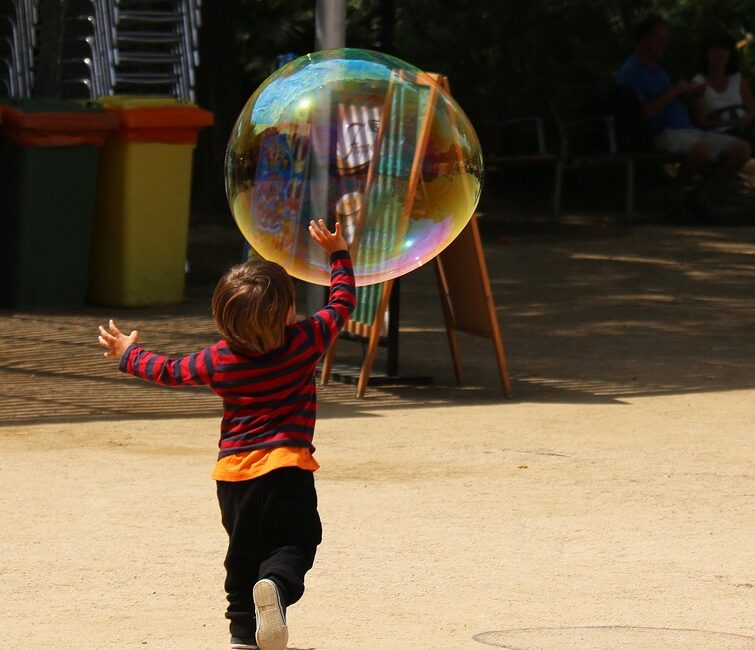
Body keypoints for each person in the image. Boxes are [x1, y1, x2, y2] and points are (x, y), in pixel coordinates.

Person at [97, 220, 356, 650]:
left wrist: (128, 352)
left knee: (243, 555)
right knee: (296, 541)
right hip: (287, 470)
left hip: (233, 479)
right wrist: (338, 255)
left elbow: (169, 371)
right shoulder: (305, 341)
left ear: (222, 320)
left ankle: (241, 636)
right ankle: (275, 587)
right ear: (288, 313)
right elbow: (342, 301)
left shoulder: (220, 359)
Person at [616, 14, 751, 215]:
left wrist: (688, 96)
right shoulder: (631, 72)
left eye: (665, 40)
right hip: (663, 133)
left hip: (687, 130)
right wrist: (675, 92)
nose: (664, 45)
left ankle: (700, 196)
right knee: (701, 151)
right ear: (644, 40)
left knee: (741, 149)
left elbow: (670, 101)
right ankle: (674, 197)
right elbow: (642, 114)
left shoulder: (658, 70)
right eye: (659, 40)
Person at [691, 30, 755, 149]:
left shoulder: (737, 79)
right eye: (715, 49)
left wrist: (746, 120)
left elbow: (753, 111)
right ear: (706, 53)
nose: (720, 54)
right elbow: (701, 123)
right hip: (719, 136)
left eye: (724, 49)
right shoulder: (699, 82)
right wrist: (733, 122)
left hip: (747, 131)